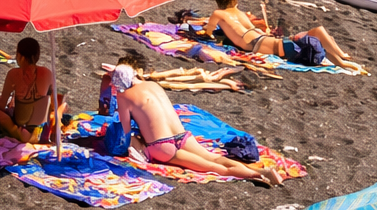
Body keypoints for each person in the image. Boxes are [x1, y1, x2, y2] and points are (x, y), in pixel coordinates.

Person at [110, 62, 284, 182]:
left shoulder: (124, 95)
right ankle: (261, 171)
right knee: (215, 158)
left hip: (162, 146)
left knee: (213, 168)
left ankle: (256, 175)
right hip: (183, 136)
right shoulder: (155, 85)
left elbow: (124, 131)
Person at [202, 0, 361, 71]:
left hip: (271, 45)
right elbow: (254, 29)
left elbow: (208, 32)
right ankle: (342, 58)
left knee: (315, 42)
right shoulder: (241, 13)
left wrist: (210, 33)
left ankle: (342, 60)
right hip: (271, 41)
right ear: (235, 1)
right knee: (317, 34)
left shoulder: (218, 13)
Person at [0, 35, 56, 144]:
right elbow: (53, 103)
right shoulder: (47, 73)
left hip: (23, 133)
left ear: (21, 56)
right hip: (40, 131)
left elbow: (1, 104)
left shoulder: (14, 74)